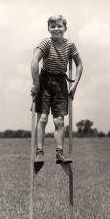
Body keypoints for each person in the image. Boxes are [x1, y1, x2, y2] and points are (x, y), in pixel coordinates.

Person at [31, 15, 83, 165]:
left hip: (61, 82)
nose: (56, 29)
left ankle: (59, 154)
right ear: (48, 29)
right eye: (52, 26)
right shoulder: (46, 42)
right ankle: (39, 153)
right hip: (45, 80)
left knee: (59, 120)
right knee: (42, 118)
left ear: (65, 28)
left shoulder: (70, 45)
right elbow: (34, 60)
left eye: (59, 26)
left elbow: (80, 65)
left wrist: (74, 85)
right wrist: (35, 84)